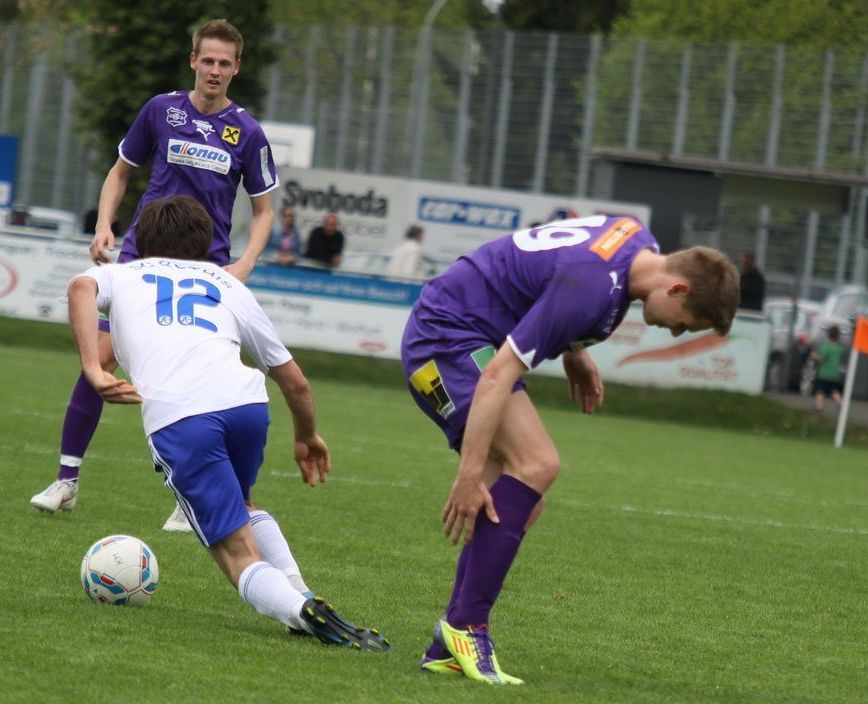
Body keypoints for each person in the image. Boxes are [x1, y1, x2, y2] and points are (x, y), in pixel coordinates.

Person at [400, 215, 739, 685]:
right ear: (677, 288)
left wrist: (574, 349)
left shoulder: (634, 235)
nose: (677, 332)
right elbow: (498, 375)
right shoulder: (591, 287)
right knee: (536, 464)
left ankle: (447, 647)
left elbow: (553, 265)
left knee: (521, 501)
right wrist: (469, 473)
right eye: (686, 324)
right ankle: (466, 627)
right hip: (444, 340)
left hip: (467, 333)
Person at [66, 195, 389, 650]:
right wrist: (307, 435)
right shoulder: (227, 283)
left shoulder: (122, 273)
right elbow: (295, 381)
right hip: (246, 404)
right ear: (206, 243)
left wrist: (93, 370)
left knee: (236, 555)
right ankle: (301, 592)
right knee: (244, 504)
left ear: (141, 240)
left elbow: (81, 288)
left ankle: (302, 613)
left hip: (181, 415)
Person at [31, 19, 279, 533]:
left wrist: (246, 263)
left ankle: (193, 496)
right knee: (99, 360)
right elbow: (120, 171)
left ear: (237, 68)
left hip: (206, 267)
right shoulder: (160, 110)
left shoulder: (248, 132)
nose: (214, 70)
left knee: (206, 378)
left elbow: (264, 209)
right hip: (141, 256)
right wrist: (104, 224)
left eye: (224, 63)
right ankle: (66, 479)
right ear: (193, 61)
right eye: (207, 60)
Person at [812, 325, 845, 412]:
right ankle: (841, 404)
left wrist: (814, 355)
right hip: (834, 373)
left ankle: (819, 407)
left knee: (820, 390)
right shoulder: (840, 348)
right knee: (833, 391)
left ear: (828, 335)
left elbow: (822, 359)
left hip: (824, 373)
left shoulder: (826, 347)